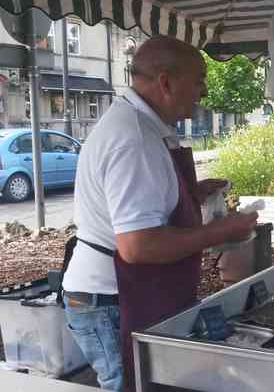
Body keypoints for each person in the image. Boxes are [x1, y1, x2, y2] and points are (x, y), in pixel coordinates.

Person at [61, 36, 259, 391]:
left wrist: (189, 194)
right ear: (166, 81)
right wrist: (223, 232)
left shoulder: (142, 126)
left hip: (121, 294)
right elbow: (138, 246)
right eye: (198, 80)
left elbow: (137, 203)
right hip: (110, 299)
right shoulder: (133, 138)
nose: (203, 92)